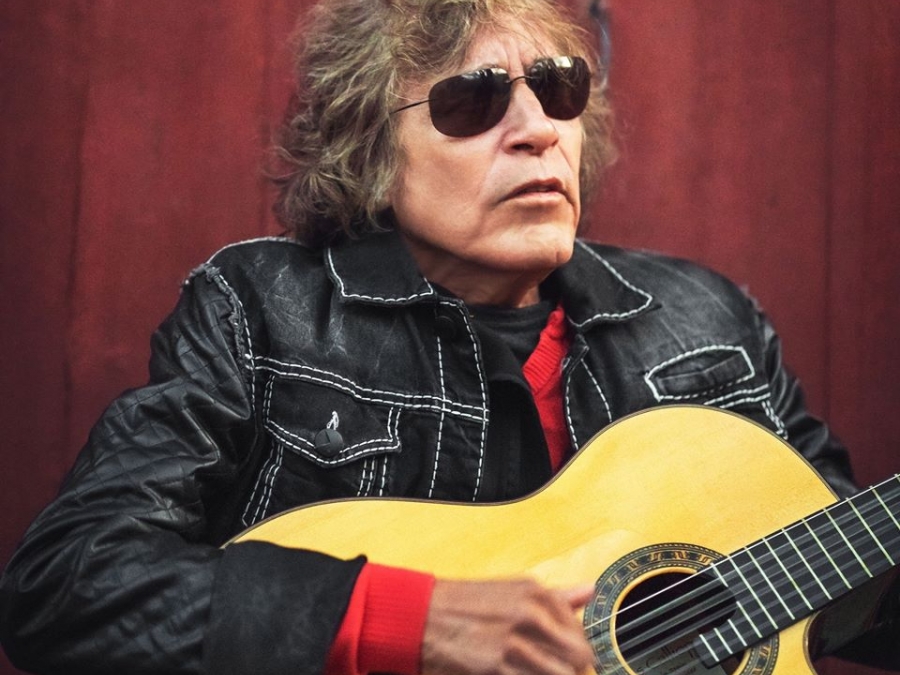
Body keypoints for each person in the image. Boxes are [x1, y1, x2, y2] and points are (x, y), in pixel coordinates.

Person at [1, 0, 898, 674]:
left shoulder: (710, 320)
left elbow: (862, 582)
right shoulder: (260, 311)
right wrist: (407, 621)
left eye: (559, 89)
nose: (538, 131)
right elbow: (64, 583)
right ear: (369, 150)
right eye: (474, 102)